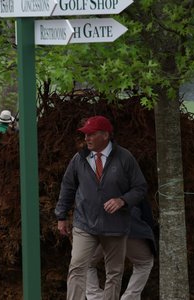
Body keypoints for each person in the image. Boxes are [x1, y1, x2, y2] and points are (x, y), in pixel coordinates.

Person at [55, 115, 147, 300]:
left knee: (114, 272)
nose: (86, 138)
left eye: (91, 134)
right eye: (85, 134)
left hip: (115, 226)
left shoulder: (125, 158)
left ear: (105, 135)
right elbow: (68, 187)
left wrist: (122, 200)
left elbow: (140, 188)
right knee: (77, 267)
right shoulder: (79, 159)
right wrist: (61, 216)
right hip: (84, 224)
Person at [86, 200, 156, 300]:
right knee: (144, 263)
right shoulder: (134, 185)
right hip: (131, 227)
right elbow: (146, 213)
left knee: (86, 263)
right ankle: (129, 298)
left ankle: (95, 297)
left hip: (103, 227)